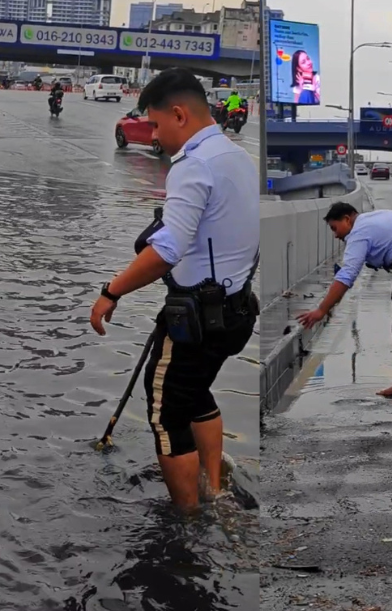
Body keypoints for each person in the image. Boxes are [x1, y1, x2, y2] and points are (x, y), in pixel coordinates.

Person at [89, 68, 259, 512]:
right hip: (236, 310)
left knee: (165, 410)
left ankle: (189, 519)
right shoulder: (237, 157)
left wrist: (112, 291)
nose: (156, 135)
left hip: (197, 321)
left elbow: (166, 249)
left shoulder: (193, 165)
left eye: (158, 124)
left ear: (179, 115)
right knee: (195, 391)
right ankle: (215, 487)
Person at [297, 204, 392, 407]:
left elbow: (347, 275)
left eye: (335, 228)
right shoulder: (377, 217)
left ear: (347, 219)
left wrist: (321, 310)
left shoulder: (359, 231)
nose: (336, 236)